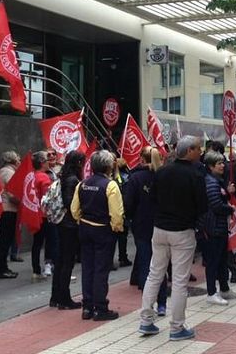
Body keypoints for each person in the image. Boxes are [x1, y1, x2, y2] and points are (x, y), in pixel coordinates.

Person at [137, 136, 207, 340]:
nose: (200, 151)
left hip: (159, 229)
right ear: (190, 151)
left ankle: (146, 320)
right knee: (179, 280)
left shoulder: (162, 171)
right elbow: (203, 206)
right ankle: (176, 327)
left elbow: (152, 199)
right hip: (182, 231)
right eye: (198, 148)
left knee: (154, 274)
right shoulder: (195, 174)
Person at [70, 150, 124, 321]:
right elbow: (117, 214)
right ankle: (100, 308)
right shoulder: (111, 185)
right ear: (109, 166)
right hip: (103, 230)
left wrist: (82, 221)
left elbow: (74, 210)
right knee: (101, 269)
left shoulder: (82, 184)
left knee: (88, 268)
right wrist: (116, 228)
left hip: (85, 229)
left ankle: (87, 307)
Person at [123, 146, 167, 315]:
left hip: (141, 226)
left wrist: (131, 217)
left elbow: (129, 204)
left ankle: (148, 305)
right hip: (161, 225)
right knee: (160, 265)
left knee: (145, 265)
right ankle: (162, 303)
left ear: (141, 159)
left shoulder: (135, 178)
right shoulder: (163, 176)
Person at [201, 151, 236, 306]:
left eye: (223, 162)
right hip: (213, 228)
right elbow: (215, 205)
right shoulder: (210, 182)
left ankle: (224, 288)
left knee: (222, 259)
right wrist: (229, 209)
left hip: (220, 227)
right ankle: (211, 292)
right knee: (213, 261)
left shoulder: (217, 181)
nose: (223, 165)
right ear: (211, 166)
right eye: (219, 163)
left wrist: (228, 195)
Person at [50, 150, 83, 310]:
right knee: (66, 262)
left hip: (63, 223)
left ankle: (56, 297)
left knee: (62, 260)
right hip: (69, 225)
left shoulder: (63, 177)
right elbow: (71, 203)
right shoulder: (72, 180)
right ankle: (64, 298)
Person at [0, 150, 20, 279]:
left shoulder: (4, 171)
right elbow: (12, 192)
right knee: (6, 240)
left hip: (7, 209)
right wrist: (21, 201)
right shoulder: (8, 172)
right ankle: (2, 268)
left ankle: (3, 266)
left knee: (6, 239)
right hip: (8, 209)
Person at [31, 151, 55, 280]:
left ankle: (36, 270)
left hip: (35, 214)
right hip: (45, 215)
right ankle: (49, 266)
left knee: (37, 243)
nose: (49, 162)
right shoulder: (44, 178)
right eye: (46, 160)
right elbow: (48, 197)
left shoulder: (32, 176)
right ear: (42, 163)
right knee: (51, 241)